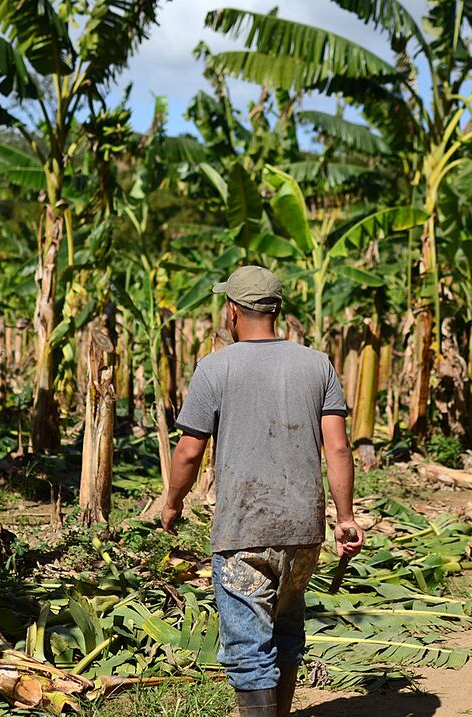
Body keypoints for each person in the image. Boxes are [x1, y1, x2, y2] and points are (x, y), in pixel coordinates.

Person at [159, 265, 364, 717]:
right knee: (286, 633)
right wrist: (345, 518)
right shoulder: (318, 365)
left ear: (232, 311)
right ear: (277, 309)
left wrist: (171, 503)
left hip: (243, 534)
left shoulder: (214, 368)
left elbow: (189, 452)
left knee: (250, 650)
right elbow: (338, 447)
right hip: (303, 531)